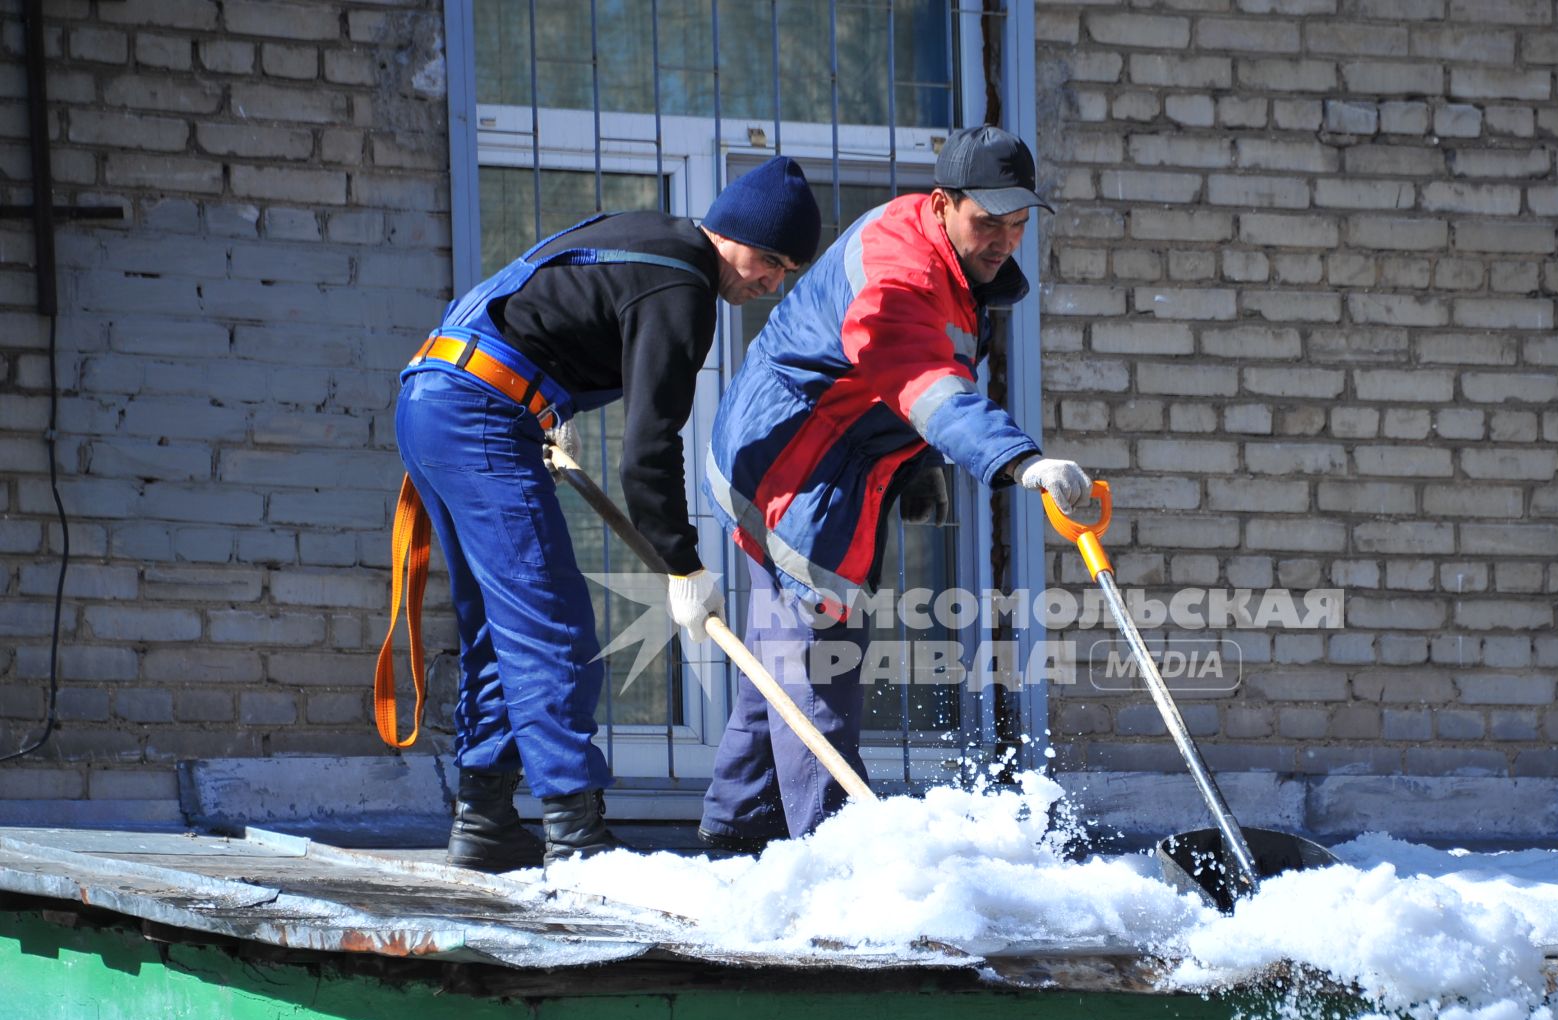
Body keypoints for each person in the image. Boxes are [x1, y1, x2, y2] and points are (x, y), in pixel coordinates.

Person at [378, 158, 822, 871]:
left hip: (441, 393)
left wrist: (549, 404)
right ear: (728, 233)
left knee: (499, 626)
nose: (771, 282)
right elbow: (648, 451)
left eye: (788, 270)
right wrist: (683, 564)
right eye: (767, 260)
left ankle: (486, 820)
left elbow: (548, 302)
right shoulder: (685, 285)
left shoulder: (650, 235)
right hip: (479, 411)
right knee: (552, 622)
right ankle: (577, 832)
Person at [696, 125, 1094, 852]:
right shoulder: (897, 268)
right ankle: (841, 872)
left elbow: (904, 382)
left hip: (828, 461)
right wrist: (1020, 461)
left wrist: (915, 466)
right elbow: (919, 378)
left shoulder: (951, 259)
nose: (1005, 240)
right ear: (942, 203)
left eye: (1018, 224)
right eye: (988, 222)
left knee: (775, 674)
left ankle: (735, 841)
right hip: (794, 467)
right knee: (820, 666)